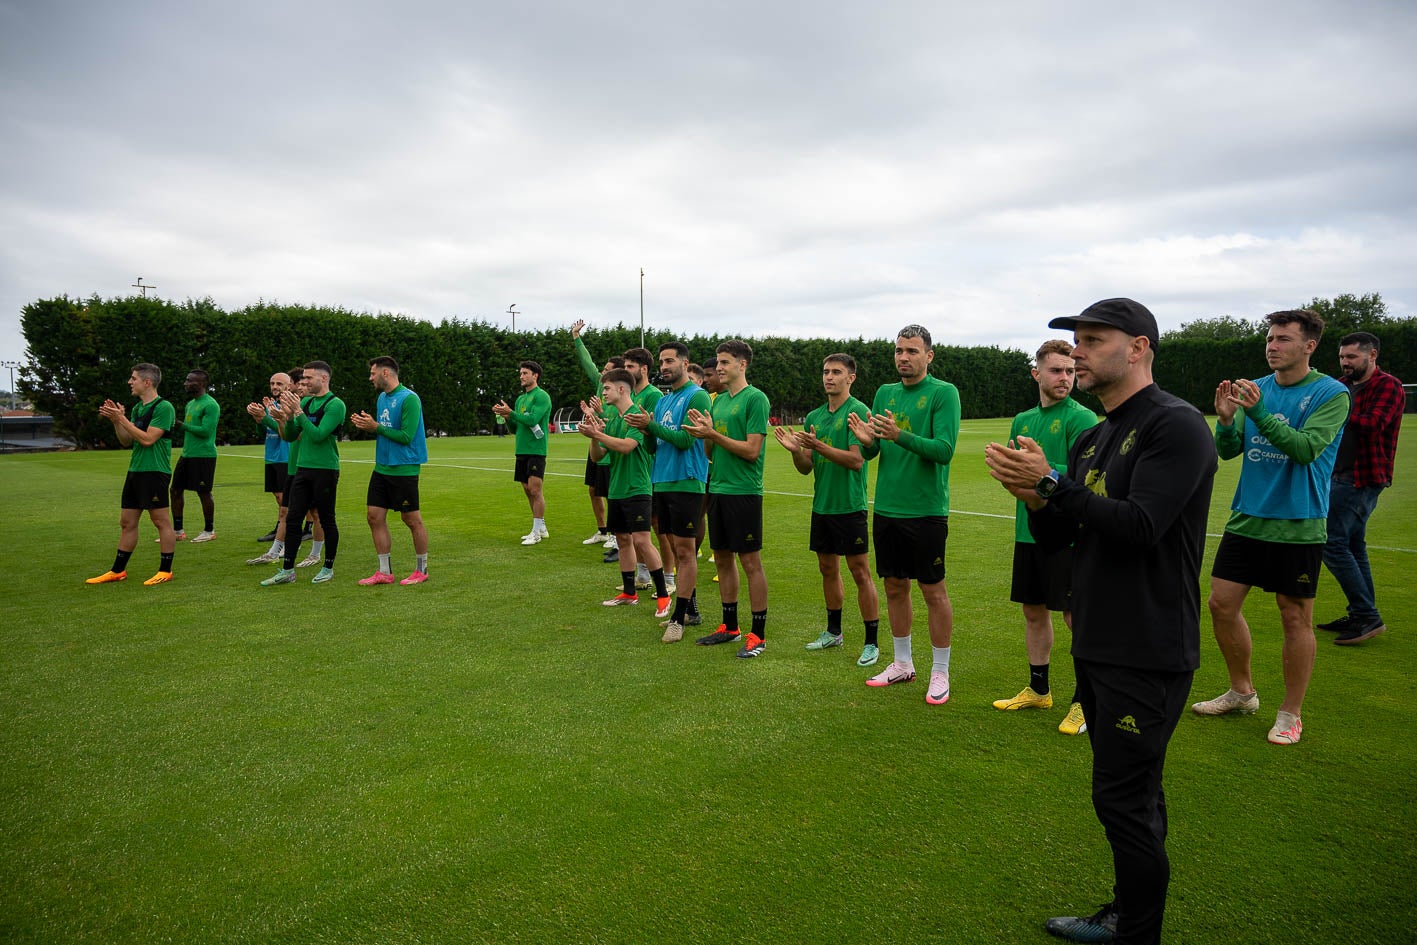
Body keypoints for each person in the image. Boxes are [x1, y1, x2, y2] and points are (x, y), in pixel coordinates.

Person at [985, 297, 1216, 945]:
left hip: (1146, 643)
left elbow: (1143, 526)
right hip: (1098, 636)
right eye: (1074, 341)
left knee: (1122, 800)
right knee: (1132, 795)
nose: (1077, 352)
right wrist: (1032, 494)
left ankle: (1134, 932)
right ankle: (1124, 914)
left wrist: (1053, 486)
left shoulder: (1176, 425)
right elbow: (1064, 530)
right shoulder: (1095, 433)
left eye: (1092, 339)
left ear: (1138, 347)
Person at [1194, 310, 1349, 746]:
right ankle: (1242, 693)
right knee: (1220, 605)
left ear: (1309, 346)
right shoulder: (1256, 389)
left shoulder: (1330, 393)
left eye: (1282, 338)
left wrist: (1258, 413)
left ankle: (1290, 713)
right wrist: (1225, 421)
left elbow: (1304, 450)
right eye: (1269, 338)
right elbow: (1228, 452)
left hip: (1299, 523)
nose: (1272, 345)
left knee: (1294, 616)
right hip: (1247, 518)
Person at [847, 325, 960, 704]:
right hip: (888, 508)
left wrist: (901, 436)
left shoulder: (944, 393)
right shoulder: (884, 393)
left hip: (926, 510)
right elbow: (874, 451)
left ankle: (940, 671)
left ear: (929, 355)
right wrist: (867, 444)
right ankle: (902, 663)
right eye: (899, 350)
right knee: (895, 586)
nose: (903, 357)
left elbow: (944, 450)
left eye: (912, 351)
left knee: (933, 590)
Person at [994, 340, 1099, 735]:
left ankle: (1085, 701)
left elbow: (1087, 476)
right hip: (1029, 529)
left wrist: (1037, 471)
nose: (1065, 378)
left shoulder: (1083, 418)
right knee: (1033, 610)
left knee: (1076, 617)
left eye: (1071, 371)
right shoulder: (1022, 419)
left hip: (1069, 535)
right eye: (1057, 370)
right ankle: (1039, 689)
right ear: (1036, 373)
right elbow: (1011, 468)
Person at [773, 353, 881, 666]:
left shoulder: (858, 411)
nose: (829, 377)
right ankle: (834, 631)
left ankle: (871, 642)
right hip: (822, 506)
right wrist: (796, 452)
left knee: (860, 571)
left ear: (851, 378)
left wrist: (818, 446)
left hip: (850, 506)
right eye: (825, 371)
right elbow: (806, 467)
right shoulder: (814, 417)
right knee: (827, 568)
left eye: (836, 372)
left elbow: (856, 460)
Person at [686, 340, 771, 658]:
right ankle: (730, 626)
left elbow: (751, 451)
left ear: (742, 365)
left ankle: (758, 634)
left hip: (744, 492)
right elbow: (710, 453)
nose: (718, 368)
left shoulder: (756, 399)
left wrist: (713, 435)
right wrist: (703, 434)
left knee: (750, 562)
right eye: (718, 363)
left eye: (724, 362)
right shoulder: (717, 401)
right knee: (722, 558)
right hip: (718, 488)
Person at [1319, 331, 1405, 645]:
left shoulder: (1388, 385)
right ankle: (1362, 612)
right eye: (1342, 357)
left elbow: (1373, 424)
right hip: (1338, 473)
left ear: (1372, 356)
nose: (1345, 363)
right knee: (1354, 546)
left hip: (1363, 477)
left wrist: (1335, 414)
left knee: (1331, 542)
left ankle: (1366, 615)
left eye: (1352, 357)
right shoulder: (1341, 386)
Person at [625, 341, 711, 642]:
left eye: (670, 361)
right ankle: (692, 610)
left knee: (686, 551)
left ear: (685, 364)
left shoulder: (697, 397)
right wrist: (647, 430)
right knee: (676, 549)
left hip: (687, 481)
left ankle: (678, 617)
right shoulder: (662, 401)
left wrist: (652, 426)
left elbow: (687, 441)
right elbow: (653, 447)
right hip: (661, 480)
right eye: (662, 361)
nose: (664, 367)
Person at [578, 368, 671, 616]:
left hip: (637, 487)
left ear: (621, 389)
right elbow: (598, 457)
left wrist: (598, 433)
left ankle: (663, 595)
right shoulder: (615, 418)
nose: (603, 393)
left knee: (642, 540)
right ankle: (629, 593)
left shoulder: (634, 416)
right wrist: (593, 435)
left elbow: (628, 447)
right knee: (622, 540)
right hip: (617, 489)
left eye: (606, 388)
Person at [87, 363, 179, 586]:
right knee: (127, 522)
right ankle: (118, 570)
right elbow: (126, 440)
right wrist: (117, 421)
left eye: (133, 378)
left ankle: (165, 570)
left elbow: (148, 439)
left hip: (155, 472)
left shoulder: (164, 407)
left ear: (147, 382)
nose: (130, 382)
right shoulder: (138, 408)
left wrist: (122, 419)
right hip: (136, 471)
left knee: (160, 521)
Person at [260, 360, 346, 586]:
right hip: (302, 469)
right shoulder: (306, 402)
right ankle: (287, 570)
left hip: (325, 470)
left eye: (309, 378)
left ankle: (328, 567)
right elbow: (290, 436)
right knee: (293, 518)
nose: (304, 382)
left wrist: (297, 412)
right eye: (303, 378)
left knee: (327, 519)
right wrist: (287, 418)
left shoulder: (335, 404)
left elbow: (318, 435)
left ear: (324, 379)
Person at [350, 356, 430, 586]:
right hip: (382, 467)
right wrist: (370, 426)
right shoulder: (382, 398)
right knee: (374, 517)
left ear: (386, 373)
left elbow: (406, 436)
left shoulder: (409, 399)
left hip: (404, 467)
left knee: (411, 519)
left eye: (373, 373)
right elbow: (384, 430)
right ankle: (384, 571)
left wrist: (376, 427)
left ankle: (421, 569)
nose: (370, 378)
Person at [571, 319, 625, 553]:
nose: (602, 373)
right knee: (593, 490)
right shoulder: (599, 386)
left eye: (607, 370)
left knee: (613, 493)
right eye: (602, 370)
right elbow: (587, 363)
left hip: (611, 449)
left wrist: (601, 414)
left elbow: (621, 420)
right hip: (596, 446)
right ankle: (603, 531)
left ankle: (615, 534)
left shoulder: (622, 394)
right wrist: (576, 338)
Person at [493, 361, 552, 545]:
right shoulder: (520, 400)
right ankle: (540, 526)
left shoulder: (541, 396)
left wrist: (512, 412)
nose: (521, 376)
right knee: (527, 490)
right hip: (522, 449)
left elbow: (533, 418)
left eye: (525, 373)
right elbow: (516, 427)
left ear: (535, 376)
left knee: (535, 489)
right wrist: (507, 416)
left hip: (536, 449)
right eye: (521, 373)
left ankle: (535, 532)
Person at [168, 369, 220, 542]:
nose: (186, 383)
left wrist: (181, 425)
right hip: (187, 454)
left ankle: (209, 530)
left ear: (202, 384)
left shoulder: (210, 404)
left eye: (190, 381)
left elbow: (206, 431)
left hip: (204, 455)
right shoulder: (190, 404)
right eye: (186, 380)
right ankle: (178, 530)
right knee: (175, 490)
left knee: (203, 492)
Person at [245, 372, 292, 544]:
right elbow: (262, 432)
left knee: (283, 498)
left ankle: (285, 530)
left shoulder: (289, 405)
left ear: (288, 386)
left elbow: (287, 431)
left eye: (279, 383)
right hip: (271, 456)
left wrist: (265, 417)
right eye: (272, 383)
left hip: (285, 456)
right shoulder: (269, 405)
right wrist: (258, 418)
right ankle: (281, 527)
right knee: (278, 496)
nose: (274, 387)